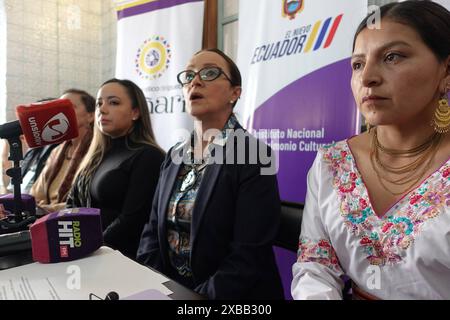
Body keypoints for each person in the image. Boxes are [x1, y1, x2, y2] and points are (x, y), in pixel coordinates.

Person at [291, 0, 450, 300]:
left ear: (446, 69)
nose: (367, 78)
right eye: (358, 64)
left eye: (392, 57)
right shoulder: (333, 163)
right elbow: (316, 265)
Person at [137, 48, 284, 299]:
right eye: (189, 75)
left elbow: (247, 258)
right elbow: (151, 233)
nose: (195, 80)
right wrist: (155, 287)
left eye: (210, 72)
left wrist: (193, 301)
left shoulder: (254, 156)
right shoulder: (173, 156)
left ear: (234, 93)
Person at [67, 79, 165, 259]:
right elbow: (72, 205)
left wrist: (90, 248)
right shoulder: (95, 155)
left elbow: (132, 221)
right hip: (86, 253)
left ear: (135, 112)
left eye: (113, 102)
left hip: (120, 260)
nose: (102, 109)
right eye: (99, 103)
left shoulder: (149, 156)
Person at [30, 89, 95, 214]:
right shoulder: (57, 151)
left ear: (90, 116)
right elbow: (36, 194)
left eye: (69, 107)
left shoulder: (96, 151)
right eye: (58, 108)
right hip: (45, 219)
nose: (61, 112)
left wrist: (48, 210)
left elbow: (86, 202)